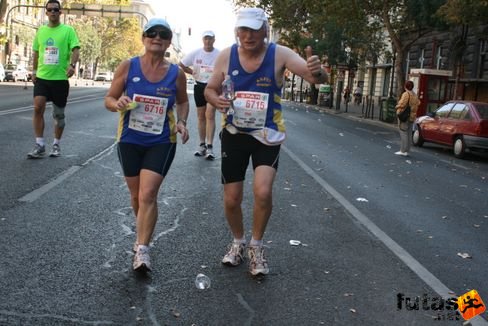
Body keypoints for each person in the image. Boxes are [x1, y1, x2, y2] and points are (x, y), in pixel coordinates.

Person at [204, 8, 328, 276]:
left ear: (265, 31)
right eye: (243, 30)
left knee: (262, 191)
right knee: (231, 199)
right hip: (235, 134)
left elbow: (315, 79)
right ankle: (238, 241)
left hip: (267, 135)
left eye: (254, 30)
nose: (248, 36)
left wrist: (318, 72)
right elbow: (209, 89)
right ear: (237, 32)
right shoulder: (227, 55)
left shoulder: (279, 54)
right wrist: (216, 100)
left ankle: (256, 245)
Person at [104, 18, 189, 272]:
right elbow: (109, 98)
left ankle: (142, 249)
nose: (157, 37)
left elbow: (183, 102)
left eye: (163, 34)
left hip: (162, 140)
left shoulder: (177, 73)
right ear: (144, 38)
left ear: (169, 42)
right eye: (152, 33)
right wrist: (116, 103)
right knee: (135, 196)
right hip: (130, 139)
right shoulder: (128, 66)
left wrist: (182, 121)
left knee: (148, 194)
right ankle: (142, 233)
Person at [27, 0, 80, 159]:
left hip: (60, 79)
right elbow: (36, 52)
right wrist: (34, 71)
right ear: (46, 12)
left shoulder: (68, 30)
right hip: (42, 77)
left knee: (58, 115)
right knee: (38, 107)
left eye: (56, 9)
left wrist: (72, 65)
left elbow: (75, 49)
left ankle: (56, 144)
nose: (53, 12)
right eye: (50, 10)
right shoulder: (41, 31)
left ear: (60, 12)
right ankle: (40, 144)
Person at [179, 30, 220, 160]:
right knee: (201, 116)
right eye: (205, 39)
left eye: (210, 39)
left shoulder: (219, 54)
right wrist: (193, 72)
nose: (208, 41)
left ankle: (210, 146)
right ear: (203, 40)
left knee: (210, 114)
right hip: (199, 86)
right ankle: (202, 144)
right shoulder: (196, 53)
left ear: (214, 40)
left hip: (213, 87)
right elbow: (182, 64)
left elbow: (226, 68)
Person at [395, 80, 420, 156]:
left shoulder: (406, 94)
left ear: (405, 86)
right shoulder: (415, 95)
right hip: (412, 116)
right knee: (409, 133)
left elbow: (402, 104)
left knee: (403, 132)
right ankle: (407, 150)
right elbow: (418, 103)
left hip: (404, 116)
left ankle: (403, 150)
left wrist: (397, 106)